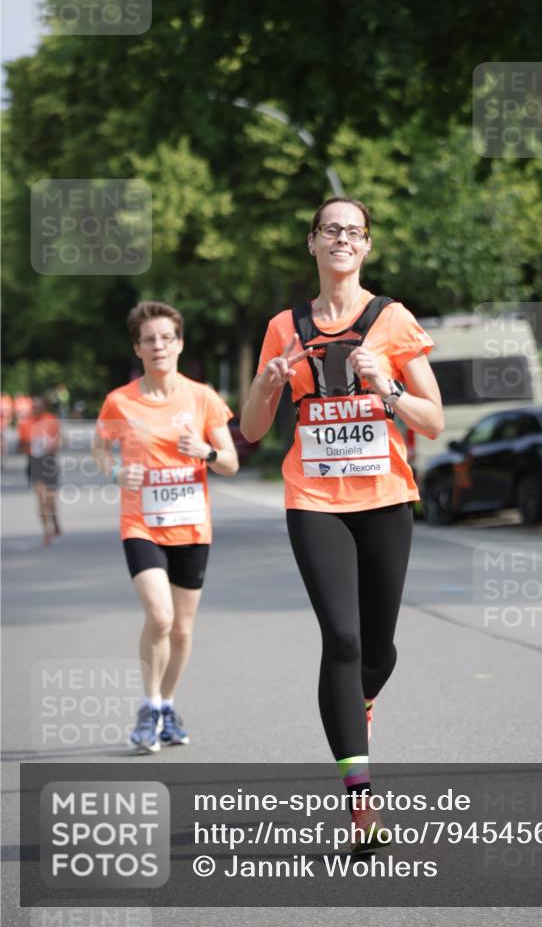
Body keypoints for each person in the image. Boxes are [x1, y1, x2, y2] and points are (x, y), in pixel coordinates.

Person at [241, 197, 444, 851]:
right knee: (344, 640)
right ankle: (360, 806)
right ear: (312, 243)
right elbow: (249, 429)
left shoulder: (392, 319)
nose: (341, 240)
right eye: (331, 230)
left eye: (353, 232)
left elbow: (431, 419)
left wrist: (385, 387)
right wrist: (269, 384)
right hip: (314, 500)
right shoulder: (284, 327)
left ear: (366, 246)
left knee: (378, 651)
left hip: (384, 498)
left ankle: (357, 707)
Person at [93, 301, 239, 754]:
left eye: (166, 338)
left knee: (181, 629)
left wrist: (205, 452)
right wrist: (116, 473)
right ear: (137, 348)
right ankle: (149, 705)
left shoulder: (202, 397)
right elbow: (101, 449)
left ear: (179, 344)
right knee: (160, 616)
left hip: (192, 527)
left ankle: (169, 704)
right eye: (149, 339)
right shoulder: (120, 401)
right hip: (142, 524)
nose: (158, 345)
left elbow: (231, 462)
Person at [28, 394, 62, 546]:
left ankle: (54, 520)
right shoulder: (26, 423)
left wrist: (53, 445)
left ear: (43, 406)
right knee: (40, 499)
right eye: (33, 406)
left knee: (50, 500)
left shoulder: (51, 419)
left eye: (38, 406)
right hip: (34, 462)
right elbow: (21, 444)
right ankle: (46, 532)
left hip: (49, 461)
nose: (36, 409)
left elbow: (61, 439)